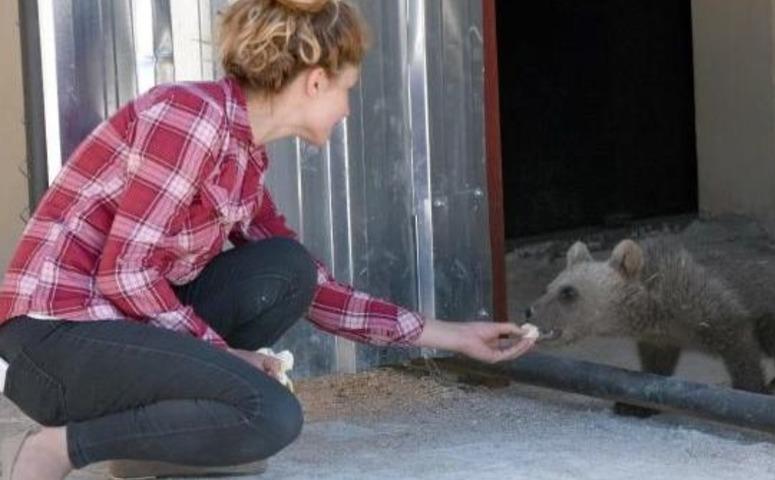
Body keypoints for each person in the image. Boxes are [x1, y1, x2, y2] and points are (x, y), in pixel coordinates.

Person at [0, 0, 535, 478]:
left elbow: (318, 291)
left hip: (118, 329)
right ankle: (60, 448)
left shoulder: (245, 159)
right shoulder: (190, 117)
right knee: (269, 414)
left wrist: (456, 337)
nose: (348, 109)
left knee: (287, 269)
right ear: (316, 81)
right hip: (54, 342)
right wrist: (225, 355)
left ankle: (149, 451)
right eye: (347, 88)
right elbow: (126, 272)